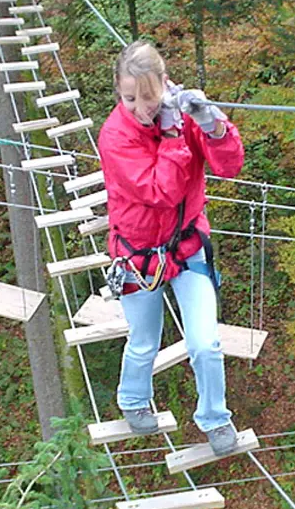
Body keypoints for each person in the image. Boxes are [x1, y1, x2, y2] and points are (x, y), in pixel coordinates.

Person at [98, 40, 245, 456]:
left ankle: (216, 419)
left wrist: (212, 125)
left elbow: (229, 166)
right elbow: (159, 191)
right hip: (137, 255)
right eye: (129, 99)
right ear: (118, 92)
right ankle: (131, 399)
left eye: (148, 98)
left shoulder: (182, 114)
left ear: (165, 84)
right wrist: (174, 135)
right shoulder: (115, 136)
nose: (140, 108)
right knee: (145, 339)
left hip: (186, 248)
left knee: (205, 342)